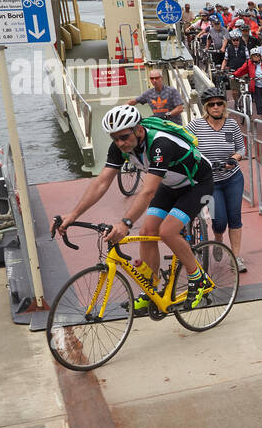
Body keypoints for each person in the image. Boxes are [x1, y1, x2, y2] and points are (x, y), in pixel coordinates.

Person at [57, 105, 214, 312]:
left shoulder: (160, 144)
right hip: (169, 185)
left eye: (124, 137)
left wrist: (125, 223)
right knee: (147, 232)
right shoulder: (119, 148)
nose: (120, 143)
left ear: (139, 130)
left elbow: (148, 192)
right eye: (115, 138)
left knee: (167, 231)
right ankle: (151, 289)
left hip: (197, 184)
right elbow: (102, 182)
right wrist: (74, 214)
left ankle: (198, 277)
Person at [189, 89, 248, 272]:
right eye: (212, 104)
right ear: (206, 107)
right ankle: (218, 239)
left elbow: (241, 148)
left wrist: (235, 158)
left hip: (233, 179)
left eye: (220, 103)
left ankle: (235, 257)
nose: (216, 107)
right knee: (219, 221)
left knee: (235, 218)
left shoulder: (231, 125)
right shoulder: (196, 126)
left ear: (224, 105)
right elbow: (184, 145)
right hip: (210, 183)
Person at [233, 49, 262, 122]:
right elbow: (241, 70)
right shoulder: (249, 63)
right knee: (259, 104)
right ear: (251, 57)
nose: (256, 57)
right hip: (256, 86)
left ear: (260, 56)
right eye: (254, 56)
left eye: (257, 55)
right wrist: (234, 75)